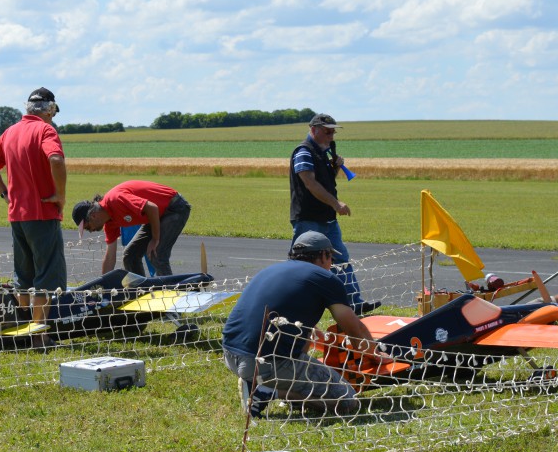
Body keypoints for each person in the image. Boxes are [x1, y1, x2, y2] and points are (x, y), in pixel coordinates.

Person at [222, 231, 383, 415]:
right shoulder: (325, 279)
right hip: (264, 362)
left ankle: (261, 381)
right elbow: (355, 328)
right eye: (331, 257)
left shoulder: (271, 269)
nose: (331, 263)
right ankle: (266, 392)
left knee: (303, 336)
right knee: (347, 400)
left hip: (230, 354)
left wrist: (324, 340)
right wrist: (374, 354)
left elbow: (300, 322)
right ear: (323, 255)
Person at [0, 87, 67, 329]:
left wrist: (4, 193)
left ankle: (21, 324)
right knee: (47, 274)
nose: (53, 118)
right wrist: (60, 195)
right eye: (53, 113)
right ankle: (39, 332)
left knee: (23, 274)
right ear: (49, 110)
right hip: (42, 213)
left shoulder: (10, 132)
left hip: (17, 215)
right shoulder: (46, 130)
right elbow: (56, 159)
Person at [289, 112, 379, 316]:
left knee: (341, 259)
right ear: (314, 130)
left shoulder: (322, 152)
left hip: (327, 218)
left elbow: (325, 181)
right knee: (301, 261)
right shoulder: (304, 152)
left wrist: (335, 168)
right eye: (327, 132)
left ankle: (354, 303)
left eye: (333, 132)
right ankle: (291, 302)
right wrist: (336, 203)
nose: (331, 136)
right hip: (308, 218)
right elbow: (310, 184)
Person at [71, 180, 191, 276]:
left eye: (88, 227)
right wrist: (103, 288)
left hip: (174, 208)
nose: (90, 231)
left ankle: (170, 294)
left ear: (93, 215)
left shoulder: (115, 199)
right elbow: (110, 257)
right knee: (130, 256)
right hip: (155, 216)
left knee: (156, 253)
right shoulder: (109, 223)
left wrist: (155, 239)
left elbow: (152, 208)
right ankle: (141, 294)